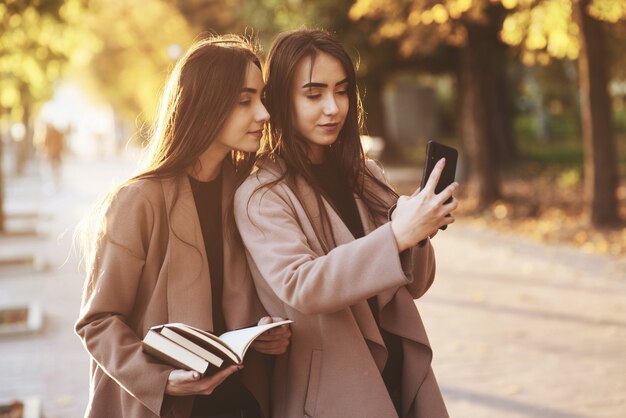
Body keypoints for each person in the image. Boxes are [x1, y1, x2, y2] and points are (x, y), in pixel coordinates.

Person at [234, 29, 457, 418]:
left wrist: (419, 233)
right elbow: (302, 285)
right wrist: (398, 234)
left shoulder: (365, 175)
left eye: (341, 91)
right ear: (282, 100)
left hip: (399, 370)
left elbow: (417, 284)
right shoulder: (262, 194)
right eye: (314, 94)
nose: (333, 108)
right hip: (334, 388)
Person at [75, 35, 291, 418]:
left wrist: (266, 332)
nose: (263, 114)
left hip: (243, 402)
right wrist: (160, 379)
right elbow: (98, 321)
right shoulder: (138, 200)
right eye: (244, 101)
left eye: (262, 99)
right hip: (166, 406)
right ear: (204, 104)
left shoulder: (250, 191)